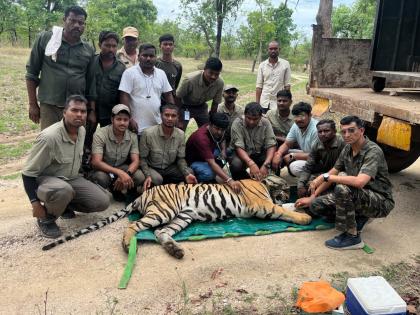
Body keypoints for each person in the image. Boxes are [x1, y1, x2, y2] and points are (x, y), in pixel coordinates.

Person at [295, 116, 394, 250]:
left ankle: (352, 237)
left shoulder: (372, 151)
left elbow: (359, 182)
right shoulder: (348, 148)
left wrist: (326, 177)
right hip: (358, 195)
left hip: (380, 201)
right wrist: (313, 196)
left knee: (342, 187)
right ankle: (359, 216)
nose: (347, 135)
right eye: (344, 132)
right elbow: (333, 171)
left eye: (351, 130)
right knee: (316, 206)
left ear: (361, 130)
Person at [21, 95, 110, 238]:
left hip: (71, 178)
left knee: (102, 202)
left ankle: (63, 206)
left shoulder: (81, 130)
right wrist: (35, 204)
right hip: (48, 182)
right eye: (74, 110)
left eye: (83, 111)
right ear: (64, 113)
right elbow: (27, 174)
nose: (79, 114)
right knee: (63, 190)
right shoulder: (49, 137)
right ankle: (46, 219)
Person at [26, 6, 95, 130]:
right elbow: (31, 73)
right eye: (72, 21)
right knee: (50, 142)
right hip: (50, 105)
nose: (77, 25)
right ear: (64, 20)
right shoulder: (46, 39)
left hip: (77, 107)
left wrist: (90, 109)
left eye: (81, 23)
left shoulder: (88, 49)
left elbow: (90, 82)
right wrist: (32, 104)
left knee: (74, 143)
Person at [90, 104, 145, 200]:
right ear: (112, 119)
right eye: (119, 119)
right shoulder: (100, 133)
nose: (122, 123)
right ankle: (112, 188)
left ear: (129, 121)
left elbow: (136, 161)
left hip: (121, 166)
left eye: (125, 120)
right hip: (104, 169)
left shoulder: (132, 136)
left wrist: (127, 173)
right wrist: (119, 173)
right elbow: (96, 162)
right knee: (100, 178)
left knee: (139, 176)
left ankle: (127, 189)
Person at [119, 43, 174, 135]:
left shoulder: (161, 74)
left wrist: (172, 115)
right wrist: (128, 118)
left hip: (157, 125)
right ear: (139, 56)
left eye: (151, 56)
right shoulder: (129, 73)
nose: (148, 58)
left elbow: (168, 94)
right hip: (136, 127)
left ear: (155, 57)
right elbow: (124, 95)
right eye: (145, 55)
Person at [140, 104, 197, 190]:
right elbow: (142, 158)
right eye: (166, 115)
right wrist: (147, 175)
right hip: (152, 167)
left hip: (169, 168)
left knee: (190, 172)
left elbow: (180, 158)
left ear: (178, 117)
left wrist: (186, 174)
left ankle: (172, 189)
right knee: (157, 179)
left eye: (173, 116)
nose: (170, 118)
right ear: (161, 116)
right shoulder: (148, 133)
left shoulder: (180, 134)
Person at [186, 113, 241, 193]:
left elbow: (222, 138)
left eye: (222, 130)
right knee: (210, 173)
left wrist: (223, 150)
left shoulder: (216, 129)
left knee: (228, 152)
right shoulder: (201, 138)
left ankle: (218, 169)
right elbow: (211, 163)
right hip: (194, 160)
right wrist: (229, 180)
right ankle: (198, 179)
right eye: (217, 129)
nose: (219, 132)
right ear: (210, 124)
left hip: (209, 152)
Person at [297, 119, 346, 198]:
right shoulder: (317, 145)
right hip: (326, 174)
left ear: (334, 131)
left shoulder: (343, 143)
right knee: (308, 184)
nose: (323, 134)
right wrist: (300, 185)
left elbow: (340, 168)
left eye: (326, 131)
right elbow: (308, 167)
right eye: (320, 132)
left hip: (340, 175)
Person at [230, 102, 277, 180]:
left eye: (255, 119)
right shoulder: (237, 123)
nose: (251, 121)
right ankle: (243, 183)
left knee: (274, 159)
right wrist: (251, 164)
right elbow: (238, 147)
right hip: (241, 154)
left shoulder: (266, 123)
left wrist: (266, 164)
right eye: (248, 118)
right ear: (244, 115)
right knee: (236, 164)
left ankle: (273, 184)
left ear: (261, 117)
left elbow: (271, 145)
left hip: (258, 153)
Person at [272, 102, 318, 178]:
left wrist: (292, 156)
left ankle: (314, 178)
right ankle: (277, 179)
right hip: (307, 153)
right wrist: (278, 154)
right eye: (296, 116)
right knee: (279, 152)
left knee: (294, 167)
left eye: (302, 116)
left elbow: (315, 155)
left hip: (318, 160)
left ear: (310, 115)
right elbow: (287, 144)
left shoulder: (316, 129)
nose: (298, 119)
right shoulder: (296, 125)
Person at [176, 57, 224, 130]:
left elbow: (215, 103)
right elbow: (177, 98)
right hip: (185, 107)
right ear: (204, 69)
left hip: (201, 107)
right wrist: (178, 118)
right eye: (210, 73)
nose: (213, 77)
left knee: (207, 130)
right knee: (180, 129)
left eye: (216, 74)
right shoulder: (190, 80)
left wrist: (212, 120)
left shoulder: (220, 83)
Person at [256, 41, 291, 113]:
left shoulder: (285, 64)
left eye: (275, 49)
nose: (273, 51)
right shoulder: (262, 65)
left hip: (278, 104)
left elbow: (287, 86)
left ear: (279, 50)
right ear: (268, 50)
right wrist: (257, 104)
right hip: (264, 103)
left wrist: (287, 104)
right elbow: (259, 86)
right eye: (271, 49)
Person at [155, 34, 183, 98]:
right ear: (160, 46)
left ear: (174, 46)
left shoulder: (178, 66)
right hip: (156, 98)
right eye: (165, 44)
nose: (168, 47)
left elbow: (175, 85)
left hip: (170, 101)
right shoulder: (154, 63)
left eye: (170, 44)